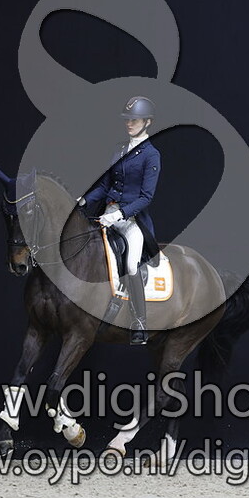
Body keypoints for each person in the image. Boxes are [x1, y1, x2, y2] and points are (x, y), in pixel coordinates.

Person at [78, 96, 161, 345]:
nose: (129, 124)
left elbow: (146, 197)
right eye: (127, 119)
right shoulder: (119, 148)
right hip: (106, 213)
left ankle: (139, 322)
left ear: (147, 122)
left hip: (131, 220)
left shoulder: (151, 155)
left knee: (132, 265)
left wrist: (119, 214)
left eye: (135, 120)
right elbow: (105, 185)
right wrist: (83, 200)